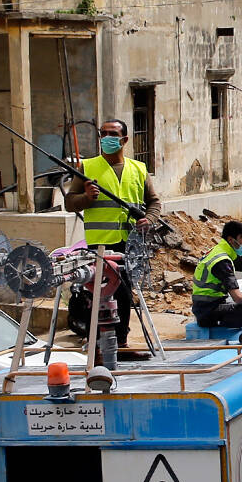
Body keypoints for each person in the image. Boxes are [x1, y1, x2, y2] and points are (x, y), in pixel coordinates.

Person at [63, 119, 161, 347]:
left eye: (112, 134)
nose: (106, 138)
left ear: (124, 139)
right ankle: (96, 341)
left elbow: (154, 202)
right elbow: (70, 203)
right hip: (99, 246)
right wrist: (87, 198)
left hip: (129, 245)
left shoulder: (138, 169)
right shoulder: (87, 168)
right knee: (97, 294)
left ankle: (121, 341)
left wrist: (150, 219)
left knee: (124, 295)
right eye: (103, 134)